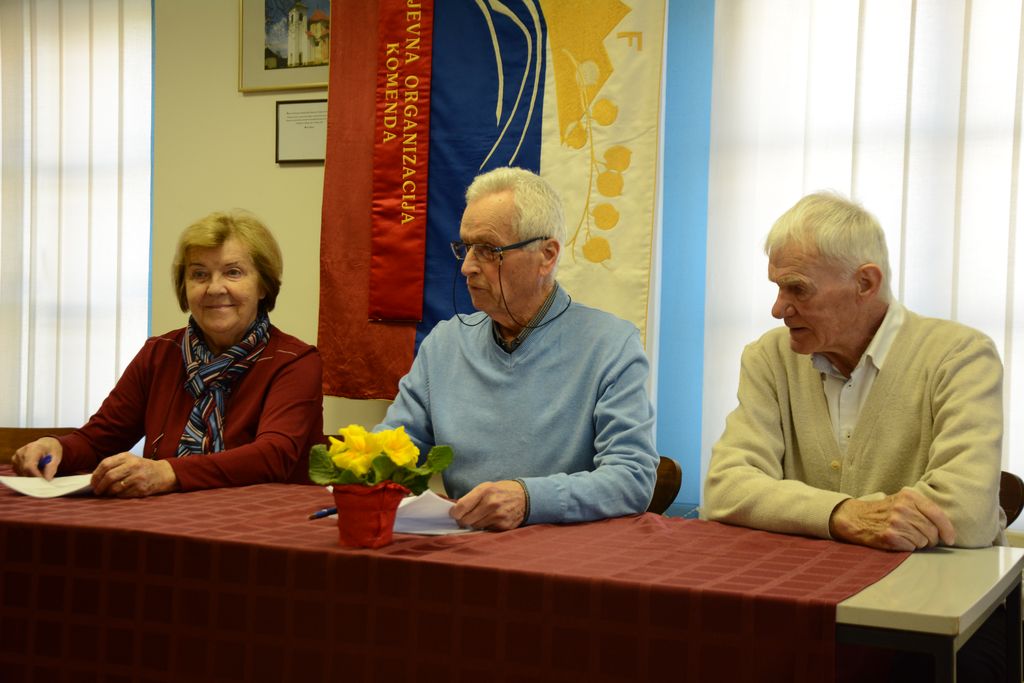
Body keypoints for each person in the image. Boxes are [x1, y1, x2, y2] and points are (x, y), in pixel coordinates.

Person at [703, 191, 1006, 681]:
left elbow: (966, 514)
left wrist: (791, 508)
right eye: (777, 287)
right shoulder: (768, 357)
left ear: (865, 283)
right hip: (806, 601)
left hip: (941, 615)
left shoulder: (960, 355)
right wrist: (843, 515)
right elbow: (725, 487)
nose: (778, 308)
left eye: (797, 289)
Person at [379, 166, 659, 531]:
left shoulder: (610, 345)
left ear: (547, 255)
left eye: (487, 250)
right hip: (462, 547)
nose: (467, 267)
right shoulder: (444, 345)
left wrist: (529, 500)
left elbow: (633, 478)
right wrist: (358, 467)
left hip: (564, 551)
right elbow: (394, 448)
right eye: (466, 248)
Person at [11, 210, 324, 497]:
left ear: (263, 286)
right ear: (184, 287)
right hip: (166, 520)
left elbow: (272, 456)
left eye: (233, 272)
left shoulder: (294, 361)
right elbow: (99, 439)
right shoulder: (160, 354)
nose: (214, 288)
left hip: (264, 522)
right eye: (199, 274)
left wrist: (168, 472)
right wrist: (56, 447)